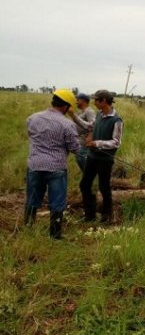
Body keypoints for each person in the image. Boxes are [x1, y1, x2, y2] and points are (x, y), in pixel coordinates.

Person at [25, 89, 80, 239]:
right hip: (56, 168)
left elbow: (30, 135)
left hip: (34, 165)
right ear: (66, 106)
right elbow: (75, 148)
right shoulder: (67, 125)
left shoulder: (32, 118)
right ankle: (55, 235)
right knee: (57, 202)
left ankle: (28, 228)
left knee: (32, 199)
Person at [79, 89, 123, 223]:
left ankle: (107, 216)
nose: (94, 102)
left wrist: (96, 143)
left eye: (96, 100)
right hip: (92, 157)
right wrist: (90, 136)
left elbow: (116, 142)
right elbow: (91, 127)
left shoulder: (117, 120)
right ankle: (89, 215)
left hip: (105, 159)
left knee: (104, 187)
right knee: (84, 185)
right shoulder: (98, 115)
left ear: (104, 101)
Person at [68, 92, 96, 171]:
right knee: (80, 157)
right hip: (79, 138)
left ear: (83, 101)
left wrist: (90, 136)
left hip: (84, 139)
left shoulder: (89, 111)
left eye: (78, 100)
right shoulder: (82, 112)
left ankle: (89, 174)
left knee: (81, 157)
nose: (76, 101)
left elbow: (93, 125)